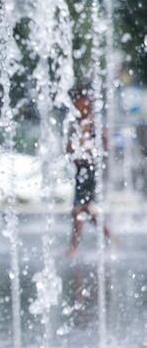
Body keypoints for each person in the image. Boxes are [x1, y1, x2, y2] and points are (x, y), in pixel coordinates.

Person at [66, 86, 112, 256]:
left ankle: (74, 247)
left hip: (89, 171)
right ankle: (109, 237)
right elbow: (69, 147)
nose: (75, 106)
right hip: (80, 171)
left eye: (77, 102)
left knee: (79, 209)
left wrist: (90, 153)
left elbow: (105, 143)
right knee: (83, 209)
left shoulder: (92, 123)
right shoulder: (76, 122)